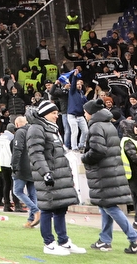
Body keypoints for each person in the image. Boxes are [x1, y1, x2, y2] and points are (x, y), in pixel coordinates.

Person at [81, 99, 137, 254]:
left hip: (103, 172)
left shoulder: (96, 126)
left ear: (91, 112)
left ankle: (136, 240)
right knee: (105, 205)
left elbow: (98, 151)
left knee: (109, 206)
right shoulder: (108, 124)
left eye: (85, 111)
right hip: (109, 171)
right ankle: (105, 240)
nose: (84, 114)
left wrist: (84, 157)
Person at [27, 101, 84, 256]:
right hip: (48, 175)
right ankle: (49, 243)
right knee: (47, 209)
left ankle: (63, 241)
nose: (56, 115)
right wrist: (45, 173)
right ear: (45, 113)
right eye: (53, 113)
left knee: (60, 208)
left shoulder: (51, 128)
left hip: (59, 174)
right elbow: (36, 153)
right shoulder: (36, 128)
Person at [11, 115, 40, 227]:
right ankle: (31, 220)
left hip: (22, 166)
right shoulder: (34, 131)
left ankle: (36, 210)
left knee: (17, 191)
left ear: (17, 124)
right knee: (32, 194)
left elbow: (17, 150)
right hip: (34, 166)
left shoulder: (20, 132)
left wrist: (14, 165)